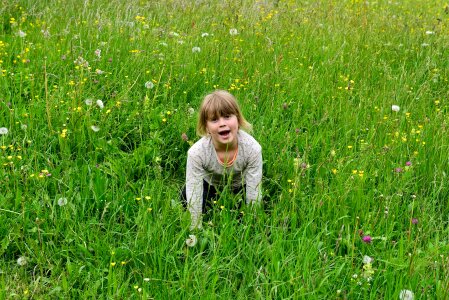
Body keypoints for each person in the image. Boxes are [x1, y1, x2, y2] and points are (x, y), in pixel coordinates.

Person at [182, 90, 263, 230]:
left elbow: (253, 191)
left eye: (227, 116)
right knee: (186, 195)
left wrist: (252, 224)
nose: (222, 124)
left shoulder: (252, 149)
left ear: (238, 119)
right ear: (206, 127)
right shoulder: (197, 153)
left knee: (245, 208)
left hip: (240, 188)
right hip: (210, 187)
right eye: (214, 120)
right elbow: (194, 190)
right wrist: (195, 229)